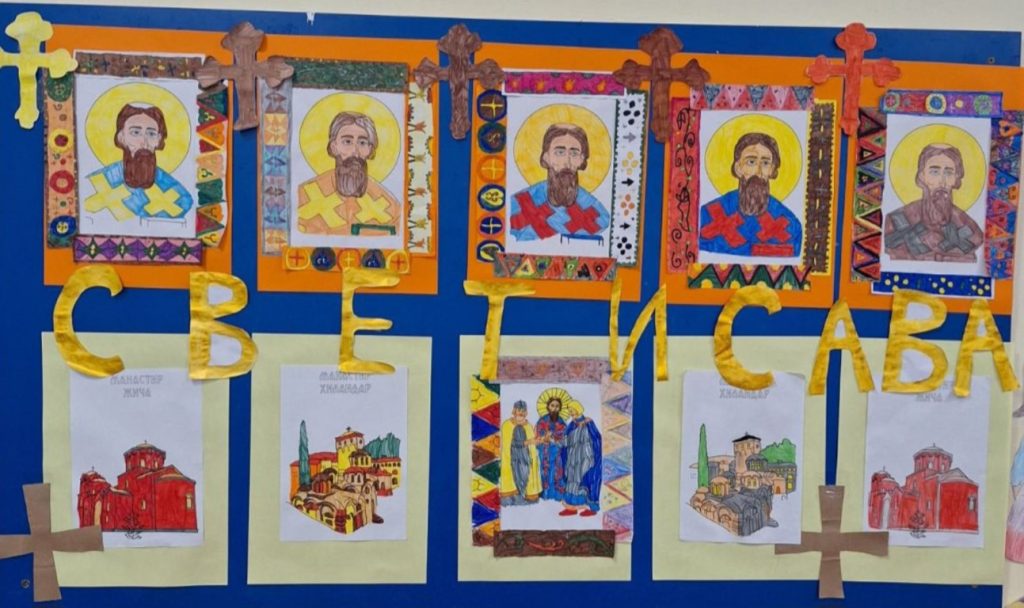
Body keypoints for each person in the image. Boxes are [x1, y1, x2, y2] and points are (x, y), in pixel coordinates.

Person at [296, 111, 401, 236]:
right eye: (347, 141)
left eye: (362, 143)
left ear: (369, 150)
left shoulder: (390, 208)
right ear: (334, 147)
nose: (355, 152)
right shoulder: (303, 196)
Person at [698, 132, 802, 257]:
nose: (758, 172)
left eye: (765, 163)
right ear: (738, 168)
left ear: (772, 170)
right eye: (751, 162)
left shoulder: (789, 224)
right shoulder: (707, 216)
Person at [84, 103, 193, 220]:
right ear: (121, 137)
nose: (144, 142)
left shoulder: (179, 196)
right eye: (135, 132)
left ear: (158, 140)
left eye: (151, 134)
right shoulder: (97, 183)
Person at [509, 123, 610, 243]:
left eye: (574, 153)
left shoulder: (599, 215)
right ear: (546, 157)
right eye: (560, 152)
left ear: (581, 160)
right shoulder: (519, 203)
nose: (567, 162)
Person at [883, 143, 984, 262]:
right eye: (934, 172)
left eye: (948, 173)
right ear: (922, 176)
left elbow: (973, 244)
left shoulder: (965, 224)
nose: (942, 181)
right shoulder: (898, 219)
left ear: (956, 178)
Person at [560, 400, 602, 516]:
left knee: (585, 480)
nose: (571, 413)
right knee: (572, 480)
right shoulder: (571, 425)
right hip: (573, 458)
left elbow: (597, 439)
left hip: (586, 457)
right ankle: (571, 507)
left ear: (578, 409)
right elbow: (566, 441)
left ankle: (590, 507)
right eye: (569, 411)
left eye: (572, 410)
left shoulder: (589, 422)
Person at [499, 400, 541, 506]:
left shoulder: (528, 426)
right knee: (514, 476)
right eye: (518, 414)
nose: (520, 417)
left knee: (526, 475)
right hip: (513, 457)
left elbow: (532, 446)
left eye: (522, 414)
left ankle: (527, 494)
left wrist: (536, 441)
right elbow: (509, 444)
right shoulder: (507, 425)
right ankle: (512, 494)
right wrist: (528, 442)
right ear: (514, 412)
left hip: (525, 458)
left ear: (525, 413)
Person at [535, 388, 569, 501]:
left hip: (557, 452)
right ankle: (545, 494)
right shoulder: (542, 420)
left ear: (560, 408)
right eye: (552, 405)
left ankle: (557, 494)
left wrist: (553, 437)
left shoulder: (561, 422)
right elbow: (538, 436)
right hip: (544, 451)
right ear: (548, 407)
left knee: (557, 472)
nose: (554, 408)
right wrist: (545, 437)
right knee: (544, 471)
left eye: (557, 406)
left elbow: (564, 437)